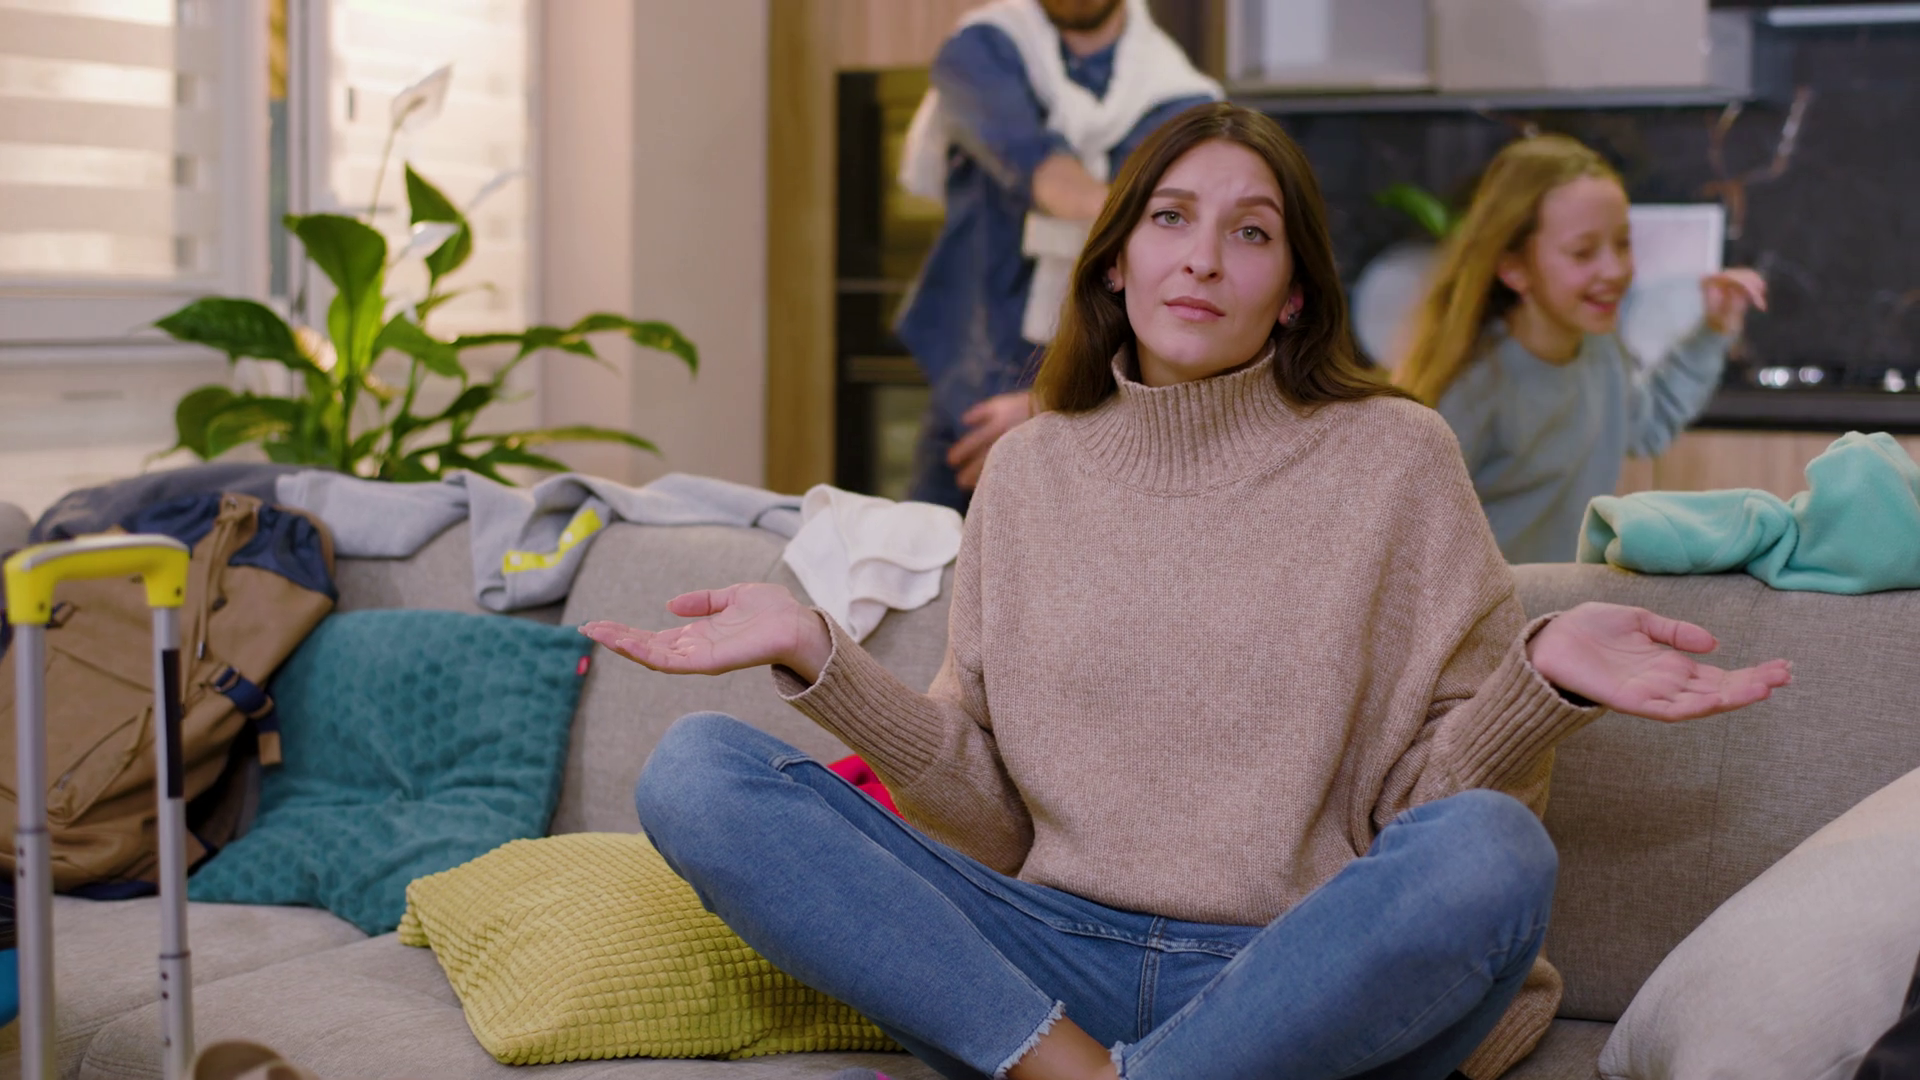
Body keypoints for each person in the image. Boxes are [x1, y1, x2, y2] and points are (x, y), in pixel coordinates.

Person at [582, 104, 1791, 1080]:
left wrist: (1536, 684)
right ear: (1118, 258)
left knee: (1495, 852)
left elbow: (1421, 822)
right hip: (1048, 965)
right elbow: (993, 824)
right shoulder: (1030, 471)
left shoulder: (1396, 459)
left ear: (1295, 288)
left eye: (1251, 233)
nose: (1204, 257)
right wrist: (821, 657)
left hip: (1297, 979)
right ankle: (1073, 1068)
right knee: (699, 771)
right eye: (1170, 218)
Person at [893, 0, 1220, 511]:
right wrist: (1153, 218)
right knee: (920, 552)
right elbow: (1046, 174)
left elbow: (1174, 299)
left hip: (1096, 404)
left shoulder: (1178, 100)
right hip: (970, 387)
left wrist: (1051, 403)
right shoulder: (984, 48)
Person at [1395, 135, 1768, 565]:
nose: (1614, 270)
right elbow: (1408, 541)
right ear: (1514, 269)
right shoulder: (1473, 387)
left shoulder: (1600, 350)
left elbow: (1648, 426)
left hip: (1566, 598)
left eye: (1623, 244)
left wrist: (1713, 331)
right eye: (1583, 252)